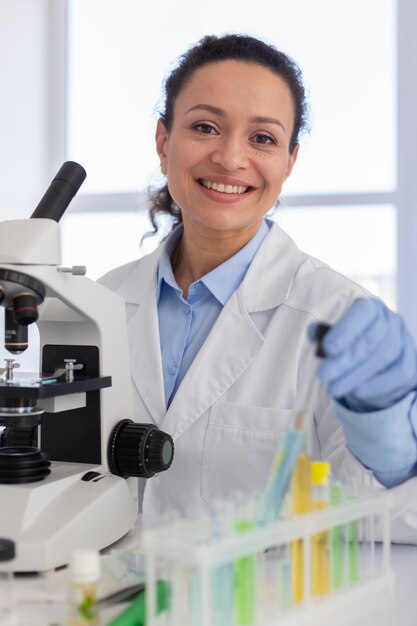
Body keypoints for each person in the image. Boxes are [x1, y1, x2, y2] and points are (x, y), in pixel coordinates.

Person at [100, 34, 417, 540]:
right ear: (164, 143)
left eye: (263, 138)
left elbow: (389, 519)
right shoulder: (99, 306)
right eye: (205, 127)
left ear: (289, 163)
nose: (229, 158)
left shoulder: (337, 318)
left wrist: (391, 446)